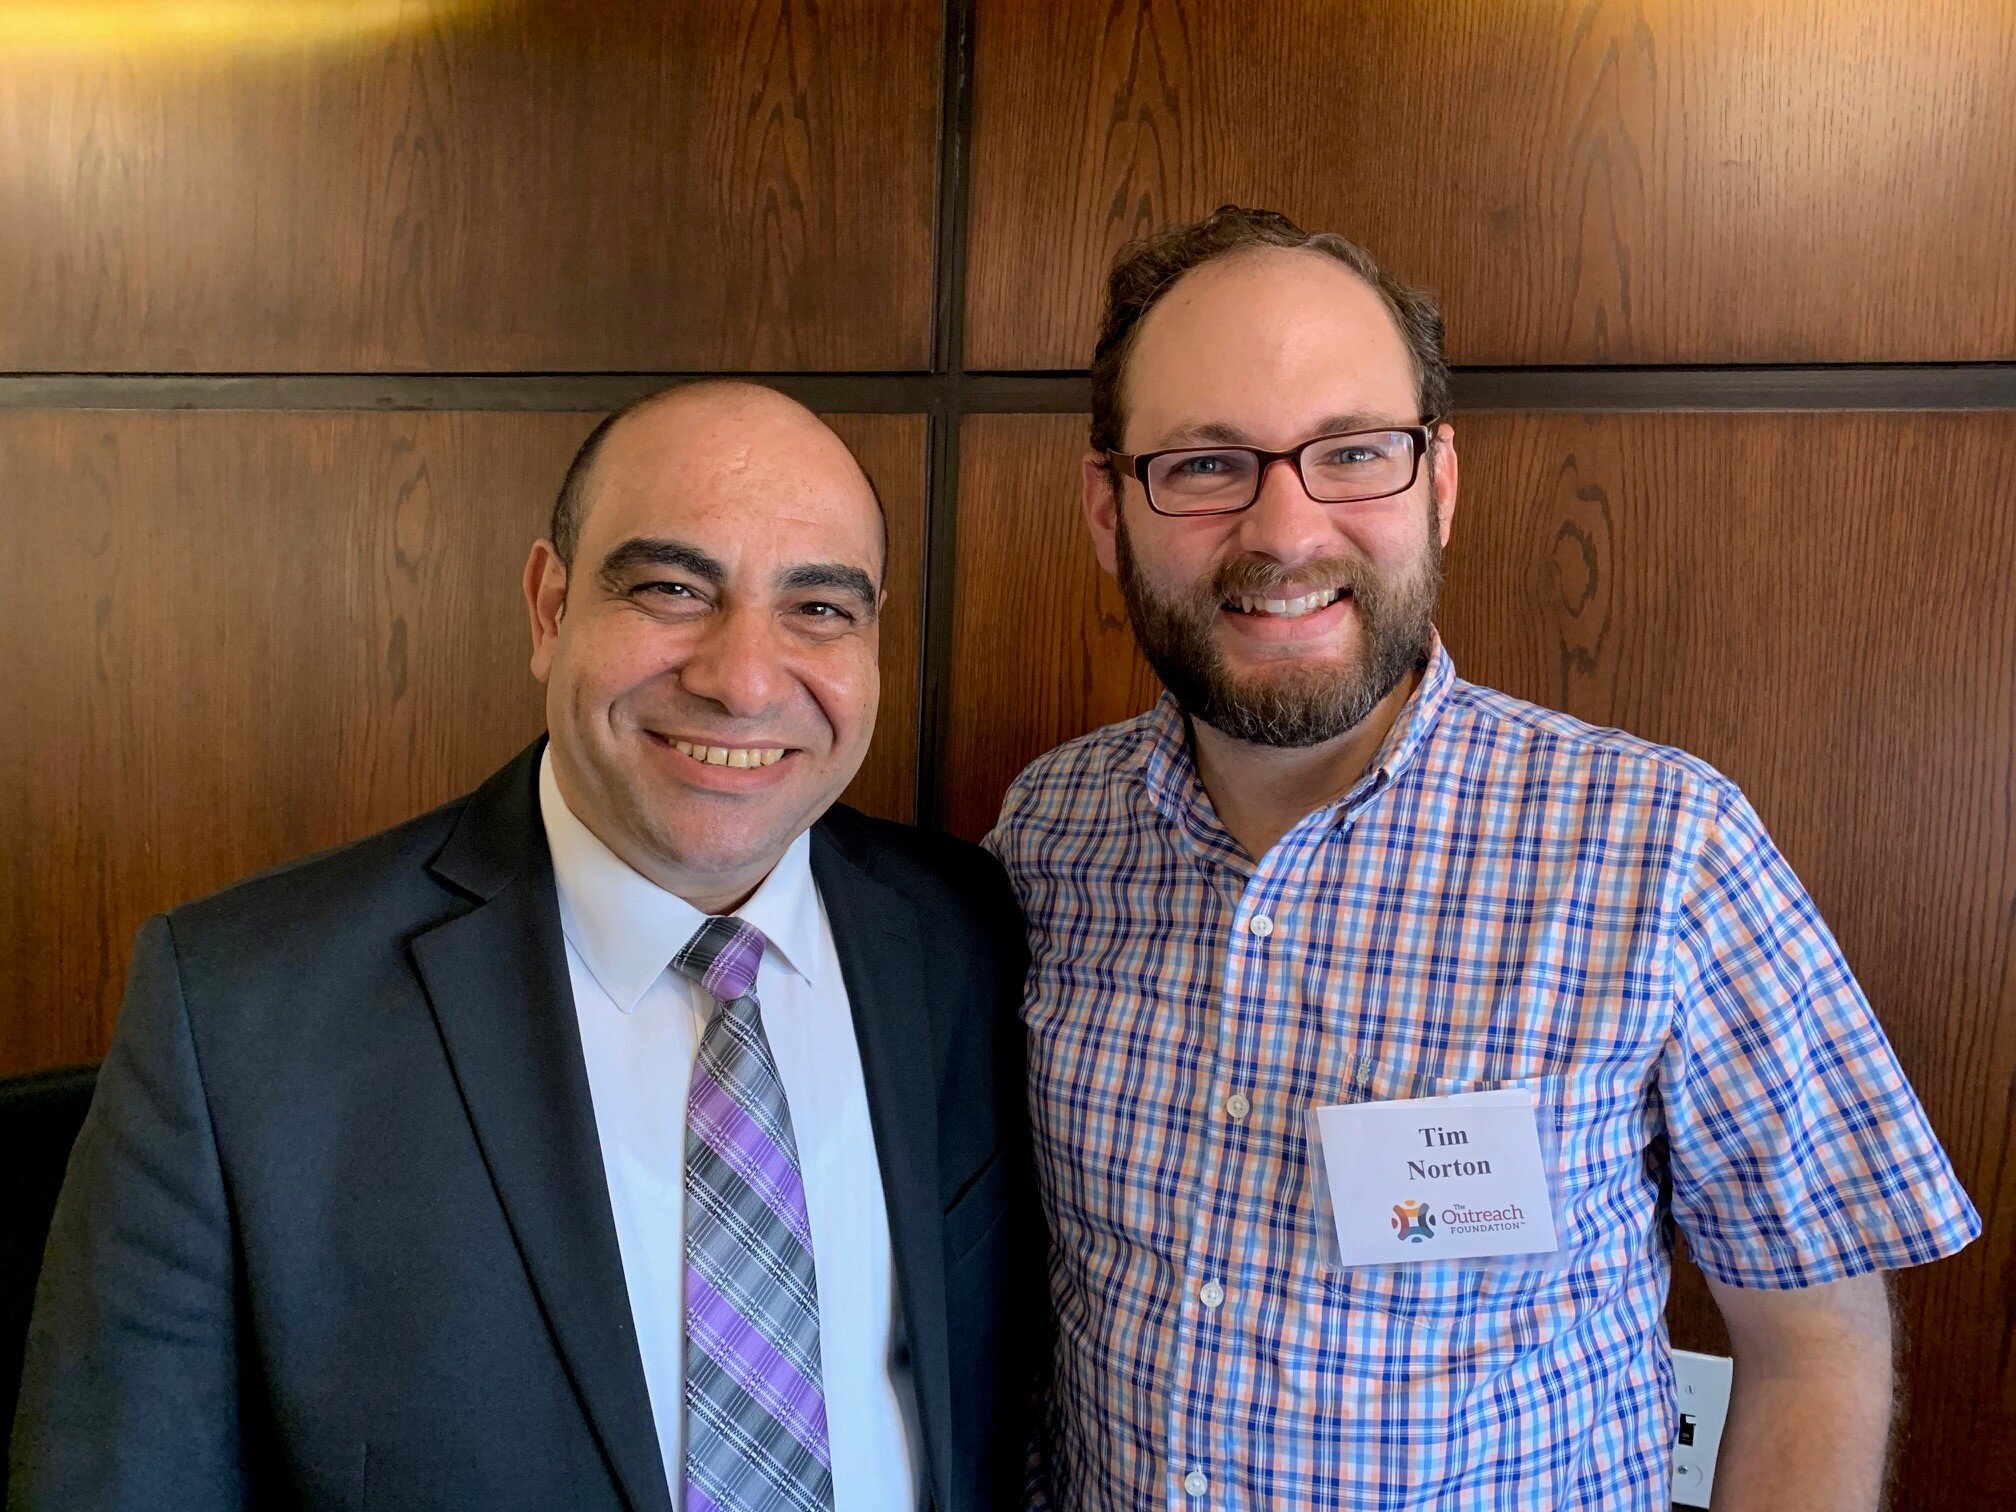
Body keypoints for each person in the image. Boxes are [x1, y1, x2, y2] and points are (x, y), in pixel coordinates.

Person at [984, 207, 1979, 1511]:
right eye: (1205, 464)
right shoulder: (1044, 837)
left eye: (1352, 452)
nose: (1286, 530)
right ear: (1109, 509)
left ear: (1438, 481)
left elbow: (1818, 1351)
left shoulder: (1661, 848)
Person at [12, 381, 1041, 1512]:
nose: (744, 678)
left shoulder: (967, 933)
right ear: (549, 609)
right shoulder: (236, 1015)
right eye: (670, 588)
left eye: (819, 609)